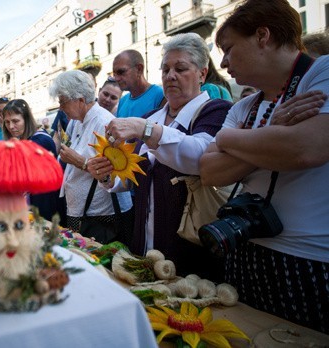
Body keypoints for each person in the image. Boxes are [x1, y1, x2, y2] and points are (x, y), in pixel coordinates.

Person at [199, 0, 329, 333]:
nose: (224, 62)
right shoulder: (245, 104)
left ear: (262, 36)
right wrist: (271, 135)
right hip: (244, 251)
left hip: (309, 261)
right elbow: (209, 172)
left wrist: (230, 140)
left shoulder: (322, 73)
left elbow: (305, 149)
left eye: (228, 49)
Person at [91, 33, 233, 280]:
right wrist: (107, 175)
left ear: (202, 73)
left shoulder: (216, 111)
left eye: (180, 68)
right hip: (145, 238)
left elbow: (199, 157)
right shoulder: (153, 115)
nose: (170, 76)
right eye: (165, 69)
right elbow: (135, 174)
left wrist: (145, 130)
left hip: (189, 241)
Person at [49, 70, 133, 245]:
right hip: (82, 213)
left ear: (80, 100)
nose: (61, 107)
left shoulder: (104, 122)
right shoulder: (77, 121)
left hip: (100, 217)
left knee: (99, 266)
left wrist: (80, 161)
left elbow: (117, 177)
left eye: (63, 101)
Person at [1, 99, 59, 221]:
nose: (11, 126)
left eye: (15, 121)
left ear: (26, 119)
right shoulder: (23, 140)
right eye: (7, 122)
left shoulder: (41, 141)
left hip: (43, 207)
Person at [113, 49, 166, 118]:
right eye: (114, 74)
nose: (117, 78)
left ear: (139, 69)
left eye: (121, 72)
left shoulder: (160, 95)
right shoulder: (123, 101)